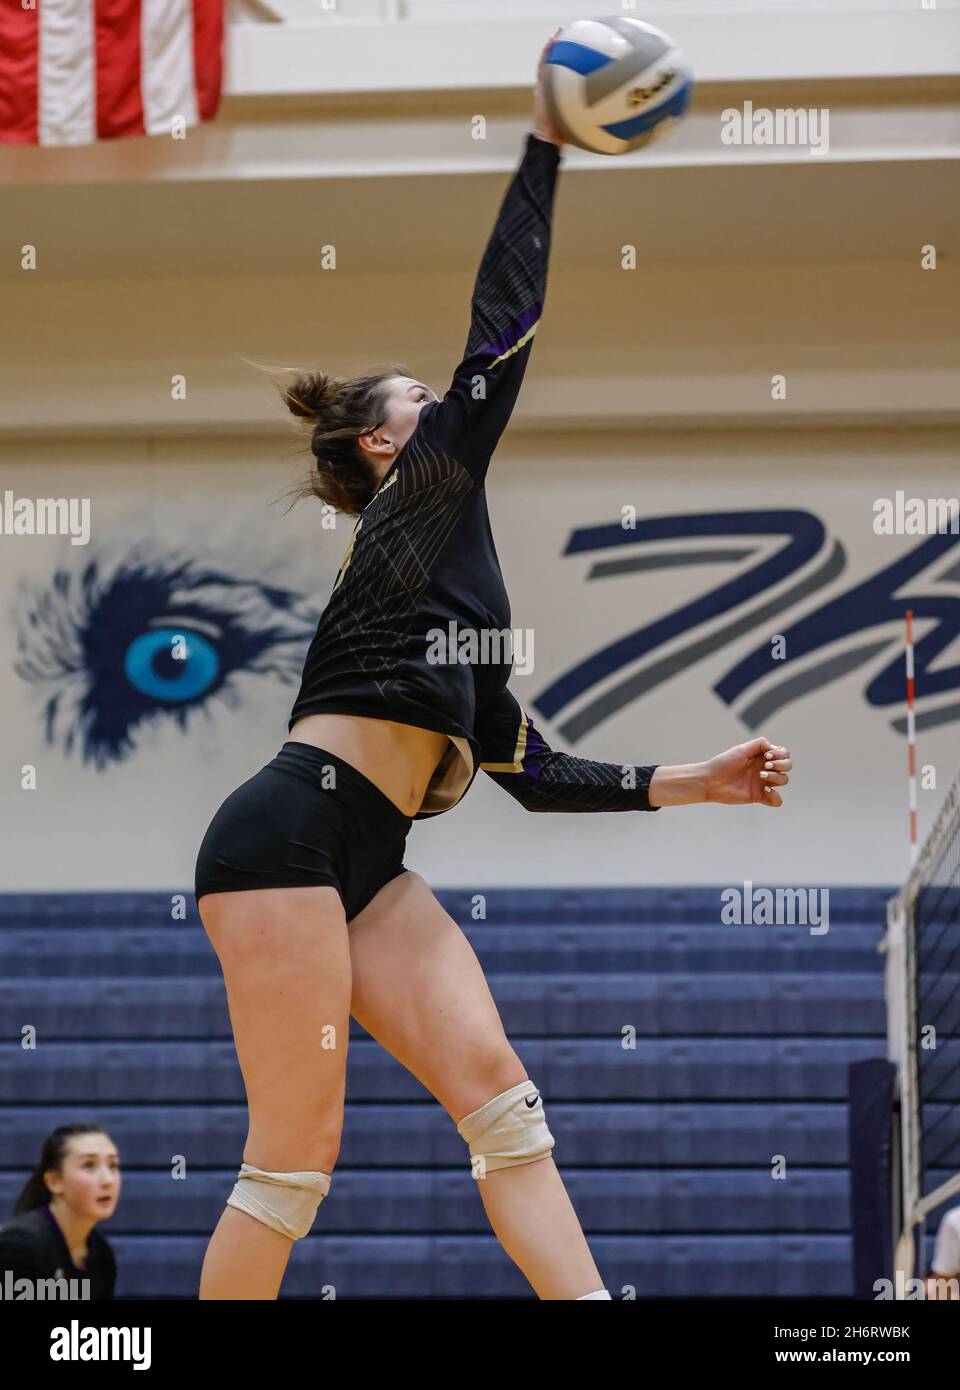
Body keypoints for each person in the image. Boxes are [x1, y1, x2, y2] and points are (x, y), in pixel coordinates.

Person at [193, 30, 793, 1301]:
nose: (447, 400)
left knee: (507, 1110)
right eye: (422, 396)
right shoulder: (416, 500)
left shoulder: (456, 580)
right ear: (378, 445)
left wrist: (707, 780)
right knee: (295, 1159)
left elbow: (534, 767)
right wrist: (545, 140)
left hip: (372, 859)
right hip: (284, 837)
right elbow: (502, 327)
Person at [0, 1124, 119, 1299]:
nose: (108, 1180)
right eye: (89, 1165)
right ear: (54, 1181)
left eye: (113, 1165)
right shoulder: (19, 1248)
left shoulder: (101, 1256)